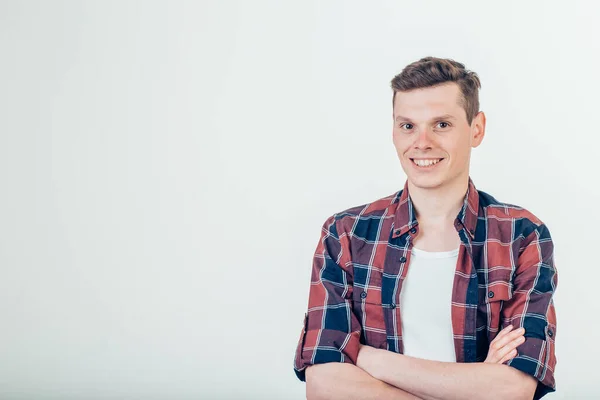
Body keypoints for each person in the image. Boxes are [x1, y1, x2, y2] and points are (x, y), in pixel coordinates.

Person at [293, 57, 558, 400]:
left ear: (476, 129)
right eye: (408, 126)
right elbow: (325, 386)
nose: (421, 143)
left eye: (442, 125)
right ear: (393, 129)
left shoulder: (522, 236)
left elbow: (513, 388)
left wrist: (368, 358)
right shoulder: (345, 235)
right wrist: (475, 384)